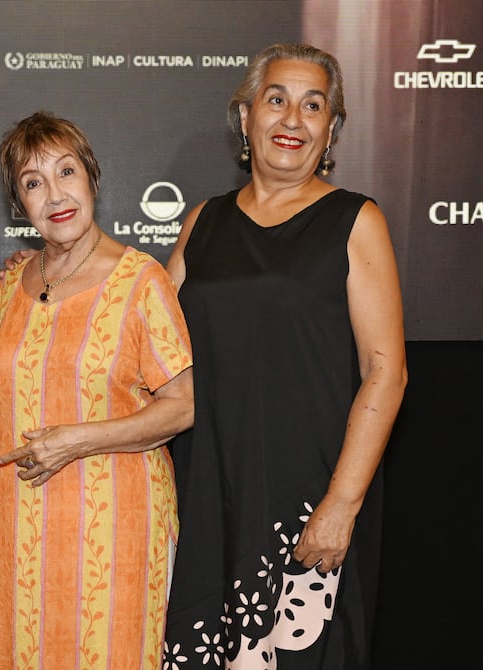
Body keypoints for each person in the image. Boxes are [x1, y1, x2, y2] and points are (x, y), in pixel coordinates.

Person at [163, 43, 407, 669]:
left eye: (313, 105)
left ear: (331, 129)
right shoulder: (201, 224)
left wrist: (342, 504)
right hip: (205, 492)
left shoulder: (356, 220)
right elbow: (152, 354)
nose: (291, 120)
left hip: (310, 497)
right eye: (276, 100)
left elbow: (386, 370)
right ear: (245, 117)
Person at [0, 111, 194, 669]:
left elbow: (184, 404)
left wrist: (79, 440)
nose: (55, 194)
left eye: (66, 171)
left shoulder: (140, 279)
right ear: (19, 207)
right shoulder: (11, 282)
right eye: (33, 182)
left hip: (114, 529)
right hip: (19, 529)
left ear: (92, 176)